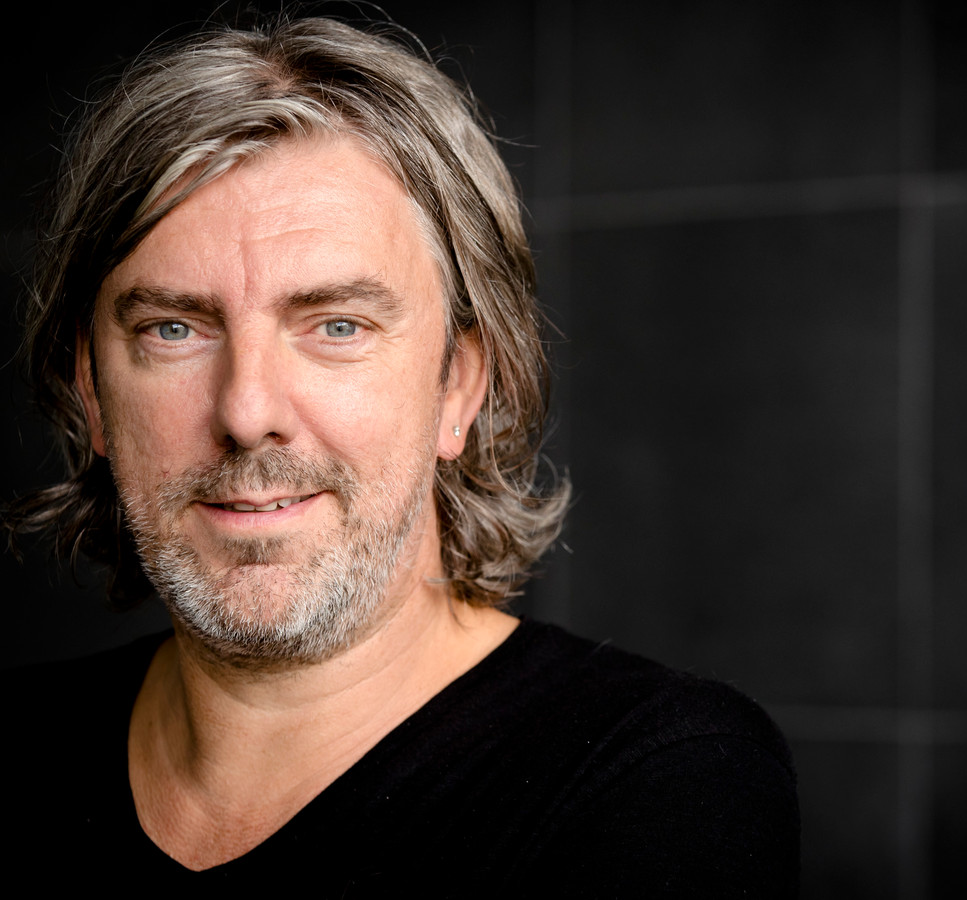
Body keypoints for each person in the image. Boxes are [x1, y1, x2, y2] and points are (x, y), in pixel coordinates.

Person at [4, 15, 798, 894]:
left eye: (337, 326)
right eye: (173, 329)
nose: (247, 412)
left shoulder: (660, 785)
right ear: (92, 390)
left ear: (457, 385)